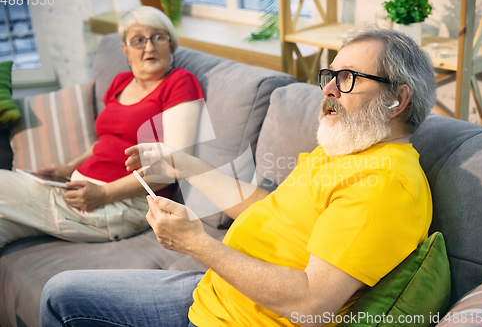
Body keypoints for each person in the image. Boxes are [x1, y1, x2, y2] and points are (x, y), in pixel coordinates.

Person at [40, 27, 436, 327]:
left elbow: (312, 306)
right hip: (217, 287)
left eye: (348, 78)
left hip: (235, 317)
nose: (329, 89)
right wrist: (183, 164)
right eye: (329, 75)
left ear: (397, 100)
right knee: (61, 290)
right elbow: (268, 207)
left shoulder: (385, 182)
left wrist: (198, 244)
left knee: (60, 297)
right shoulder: (346, 146)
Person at [0, 6, 204, 248]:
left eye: (158, 37)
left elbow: (173, 163)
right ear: (125, 50)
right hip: (81, 191)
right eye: (139, 40)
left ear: (171, 44)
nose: (149, 47)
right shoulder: (120, 82)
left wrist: (104, 194)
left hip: (125, 203)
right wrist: (68, 167)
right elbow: (106, 140)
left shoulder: (179, 82)